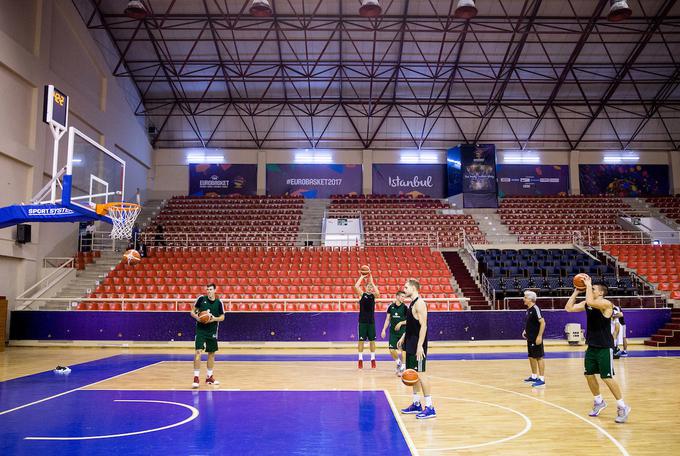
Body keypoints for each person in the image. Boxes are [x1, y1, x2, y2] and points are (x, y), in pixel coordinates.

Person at [565, 276, 631, 423]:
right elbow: (569, 308)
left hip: (604, 346)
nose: (590, 288)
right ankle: (599, 401)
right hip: (592, 346)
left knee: (606, 376)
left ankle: (622, 406)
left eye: (593, 288)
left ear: (601, 292)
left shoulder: (606, 304)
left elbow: (590, 301)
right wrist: (576, 292)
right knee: (589, 374)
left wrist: (588, 284)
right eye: (590, 288)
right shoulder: (588, 303)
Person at [399, 278, 436, 419]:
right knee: (413, 374)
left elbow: (424, 326)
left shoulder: (420, 303)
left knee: (421, 374)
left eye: (406, 287)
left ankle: (430, 407)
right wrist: (403, 336)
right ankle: (416, 404)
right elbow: (411, 323)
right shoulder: (412, 303)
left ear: (414, 288)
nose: (404, 289)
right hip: (410, 342)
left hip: (417, 345)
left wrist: (420, 346)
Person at [190, 283, 225, 388]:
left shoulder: (219, 302)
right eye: (207, 289)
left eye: (210, 289)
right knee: (198, 352)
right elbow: (192, 312)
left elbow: (223, 317)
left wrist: (214, 319)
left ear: (215, 290)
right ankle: (196, 378)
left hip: (212, 331)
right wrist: (197, 317)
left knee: (211, 354)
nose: (209, 291)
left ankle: (209, 377)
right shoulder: (201, 299)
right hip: (201, 330)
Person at [354, 272, 380, 369]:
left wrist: (372, 283)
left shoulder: (373, 296)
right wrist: (361, 276)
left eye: (371, 287)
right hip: (362, 322)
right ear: (365, 288)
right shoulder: (362, 295)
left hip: (371, 322)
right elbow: (356, 286)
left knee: (372, 341)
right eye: (368, 286)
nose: (369, 288)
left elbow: (378, 293)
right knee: (361, 341)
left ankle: (373, 359)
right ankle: (360, 359)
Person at [522, 290, 546, 387]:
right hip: (530, 338)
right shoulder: (528, 310)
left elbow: (543, 322)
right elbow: (531, 323)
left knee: (539, 357)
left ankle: (542, 379)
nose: (523, 299)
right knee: (531, 356)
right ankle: (534, 376)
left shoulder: (536, 308)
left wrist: (539, 336)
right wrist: (525, 330)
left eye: (525, 297)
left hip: (536, 338)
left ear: (530, 299)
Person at [381, 291, 407, 376]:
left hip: (402, 332)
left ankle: (403, 367)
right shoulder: (390, 307)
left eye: (404, 296)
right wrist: (384, 329)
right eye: (402, 296)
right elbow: (388, 319)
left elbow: (409, 321)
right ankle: (398, 362)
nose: (403, 298)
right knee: (391, 349)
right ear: (397, 297)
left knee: (403, 350)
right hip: (393, 332)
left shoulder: (405, 308)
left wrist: (401, 323)